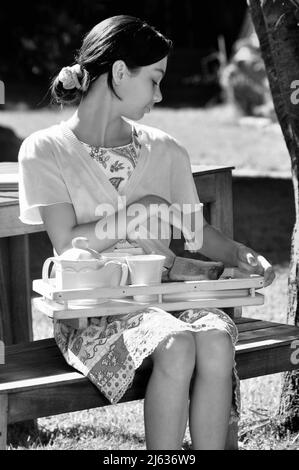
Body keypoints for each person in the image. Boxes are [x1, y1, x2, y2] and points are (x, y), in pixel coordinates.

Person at [18, 15, 275, 450]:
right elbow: (67, 244)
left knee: (213, 339)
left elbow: (199, 233)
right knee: (175, 344)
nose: (160, 94)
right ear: (120, 73)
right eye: (154, 80)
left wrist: (239, 255)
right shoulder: (45, 150)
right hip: (94, 315)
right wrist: (137, 212)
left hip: (169, 300)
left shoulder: (166, 150)